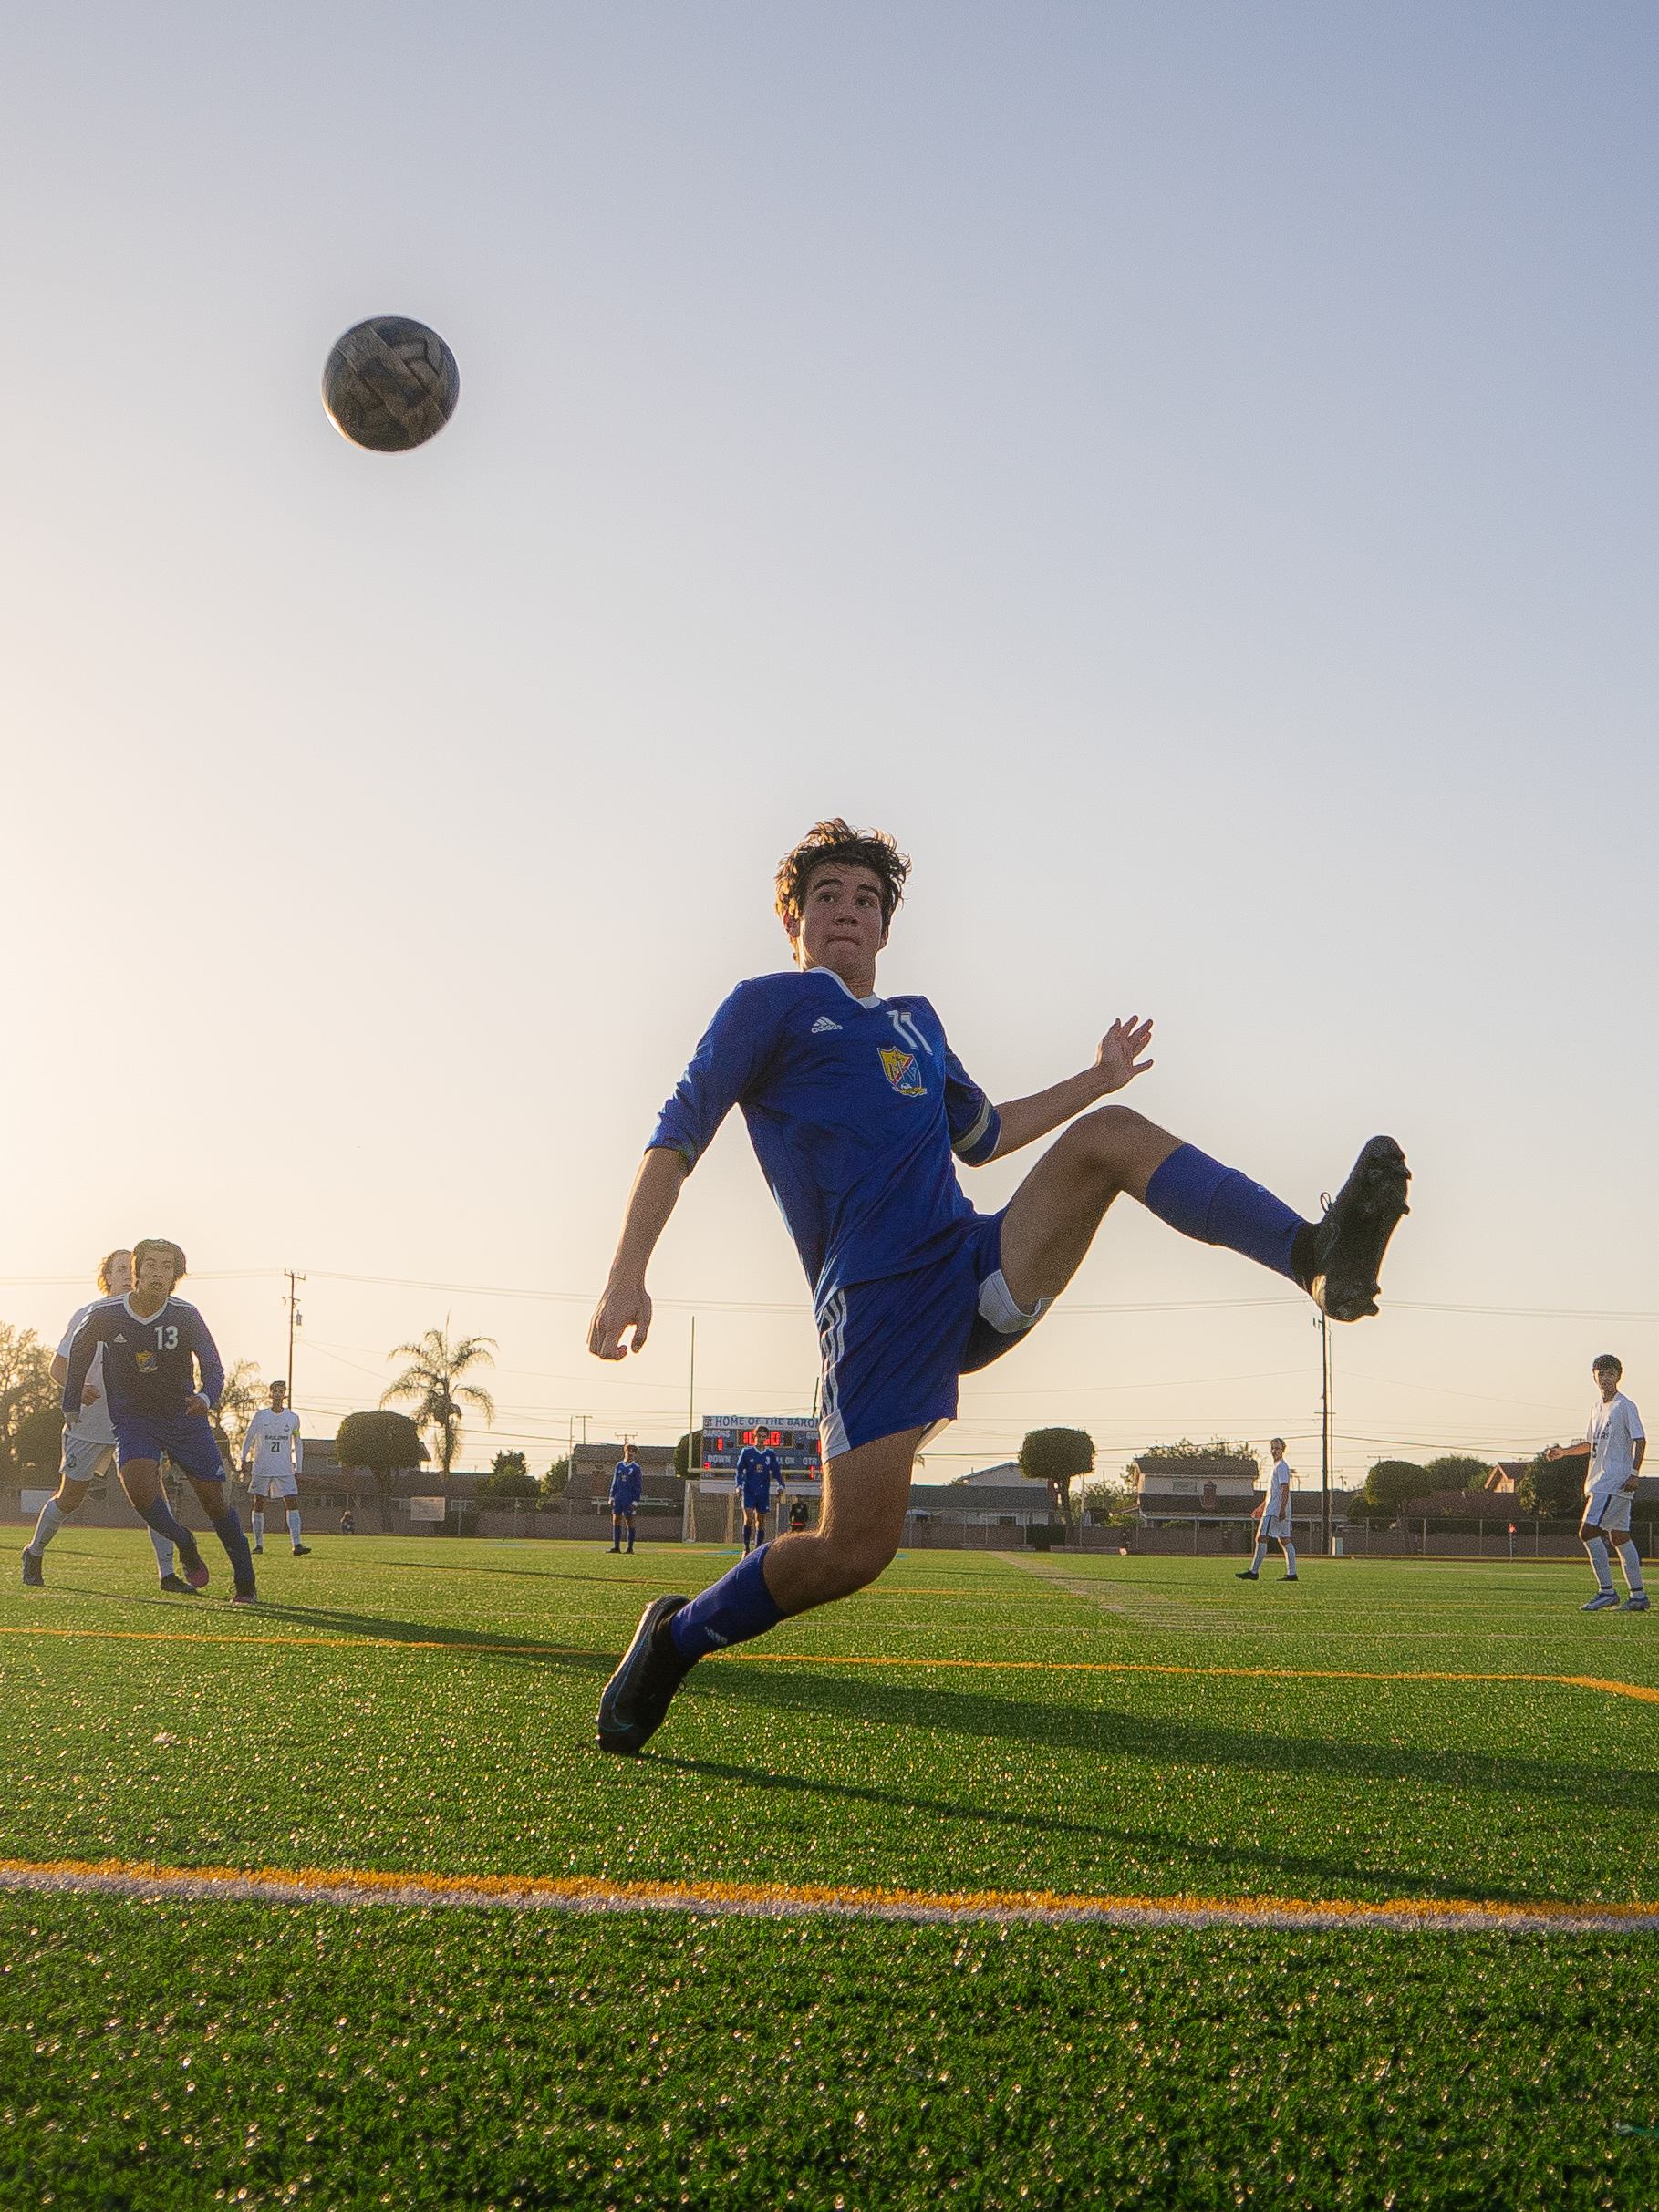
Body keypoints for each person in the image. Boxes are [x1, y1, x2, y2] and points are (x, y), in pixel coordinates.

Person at [589, 819, 1411, 1753]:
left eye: (865, 898)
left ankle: (1313, 1254)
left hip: (970, 1260)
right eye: (827, 897)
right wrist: (627, 1273)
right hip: (873, 1302)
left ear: (886, 927)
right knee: (852, 1549)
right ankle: (676, 1635)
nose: (847, 911)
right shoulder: (767, 1004)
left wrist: (1095, 1077)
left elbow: (982, 1134)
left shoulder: (917, 1022)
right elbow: (677, 1127)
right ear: (794, 920)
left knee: (1112, 1133)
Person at [60, 1238, 258, 1603]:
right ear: (135, 1271)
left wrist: (205, 1397)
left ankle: (245, 1581)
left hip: (183, 1418)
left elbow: (213, 1367)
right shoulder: (106, 1314)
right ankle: (185, 1541)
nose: (157, 1272)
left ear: (176, 1275)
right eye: (150, 1264)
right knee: (137, 1486)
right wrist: (71, 1401)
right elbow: (79, 1352)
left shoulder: (186, 1314)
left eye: (167, 1266)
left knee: (214, 1502)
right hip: (134, 1420)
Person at [23, 1251, 193, 1594]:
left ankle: (167, 1574)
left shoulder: (155, 1319)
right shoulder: (89, 1315)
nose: (129, 1276)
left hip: (134, 1422)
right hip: (89, 1423)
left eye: (133, 1269)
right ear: (108, 1278)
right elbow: (57, 1367)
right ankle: (34, 1551)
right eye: (121, 1270)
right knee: (70, 1497)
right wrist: (76, 1388)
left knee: (152, 1493)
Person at [1548, 1356, 1648, 1613]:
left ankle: (1607, 1592)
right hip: (1600, 1481)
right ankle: (1638, 1597)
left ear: (1618, 1376)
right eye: (1600, 1373)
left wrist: (1634, 1472)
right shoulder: (1596, 1409)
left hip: (1613, 1482)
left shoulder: (1624, 1406)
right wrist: (1564, 1453)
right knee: (1619, 1536)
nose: (1605, 1378)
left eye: (1610, 1373)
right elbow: (1590, 1445)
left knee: (1588, 1532)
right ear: (1594, 1377)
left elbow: (1641, 1440)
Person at [241, 1380, 310, 1556]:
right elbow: (249, 1436)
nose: (278, 1395)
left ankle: (297, 1544)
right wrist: (243, 1458)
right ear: (270, 1394)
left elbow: (298, 1442)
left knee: (292, 1501)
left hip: (284, 1468)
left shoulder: (293, 1418)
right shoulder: (261, 1416)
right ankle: (258, 1544)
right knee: (259, 1502)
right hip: (262, 1466)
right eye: (276, 1391)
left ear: (284, 1395)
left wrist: (298, 1467)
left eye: (282, 1391)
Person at [1238, 1438, 1297, 1582]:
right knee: (1285, 1540)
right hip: (1273, 1509)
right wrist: (1260, 1507)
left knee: (1261, 1537)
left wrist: (1281, 1509)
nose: (1274, 1451)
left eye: (1277, 1448)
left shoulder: (1281, 1467)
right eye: (1273, 1448)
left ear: (1283, 1449)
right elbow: (1273, 1493)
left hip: (1274, 1512)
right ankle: (1292, 1574)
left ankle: (1254, 1571)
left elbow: (1285, 1488)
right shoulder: (1277, 1467)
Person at [735, 1439, 786, 1555]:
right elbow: (739, 1469)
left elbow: (776, 1471)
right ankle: (746, 1548)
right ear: (755, 1437)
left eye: (764, 1436)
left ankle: (757, 1549)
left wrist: (781, 1484)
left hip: (763, 1492)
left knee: (761, 1521)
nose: (762, 1439)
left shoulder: (770, 1454)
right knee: (748, 1518)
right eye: (759, 1436)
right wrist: (738, 1485)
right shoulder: (747, 1452)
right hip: (749, 1490)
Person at [609, 1445, 643, 1554]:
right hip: (618, 1497)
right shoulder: (619, 1466)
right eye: (629, 1450)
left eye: (633, 1452)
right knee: (616, 1520)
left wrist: (635, 1501)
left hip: (629, 1498)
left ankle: (630, 1548)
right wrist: (611, 1496)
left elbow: (638, 1486)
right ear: (625, 1451)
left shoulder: (636, 1468)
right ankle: (616, 1547)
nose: (631, 1453)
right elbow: (615, 1482)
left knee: (629, 1520)